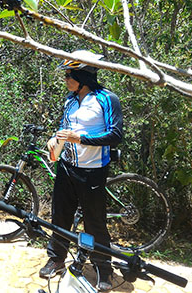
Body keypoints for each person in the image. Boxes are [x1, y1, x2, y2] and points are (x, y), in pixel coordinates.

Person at [39, 50, 123, 292]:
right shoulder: (70, 99)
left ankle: (103, 268)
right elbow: (64, 128)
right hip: (66, 167)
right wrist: (54, 139)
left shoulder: (107, 99)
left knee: (94, 222)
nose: (66, 79)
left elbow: (116, 135)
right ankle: (56, 259)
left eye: (69, 74)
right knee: (60, 215)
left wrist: (80, 138)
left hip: (93, 171)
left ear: (83, 75)